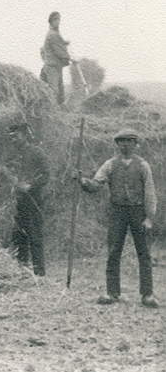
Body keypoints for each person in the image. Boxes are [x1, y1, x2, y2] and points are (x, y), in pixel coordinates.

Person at [79, 128, 159, 308]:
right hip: (118, 212)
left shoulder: (143, 166)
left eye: (130, 141)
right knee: (114, 251)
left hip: (138, 212)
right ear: (117, 145)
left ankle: (147, 295)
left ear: (136, 144)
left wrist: (149, 217)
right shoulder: (110, 164)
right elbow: (96, 184)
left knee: (144, 253)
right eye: (122, 141)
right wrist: (83, 181)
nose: (125, 145)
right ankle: (112, 292)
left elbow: (150, 193)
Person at [6, 123, 48, 276]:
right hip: (16, 202)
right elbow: (7, 172)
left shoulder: (36, 153)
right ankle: (22, 271)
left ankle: (39, 273)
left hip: (33, 200)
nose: (13, 140)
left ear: (24, 135)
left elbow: (45, 175)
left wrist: (30, 185)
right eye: (11, 137)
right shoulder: (12, 156)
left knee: (34, 235)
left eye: (16, 136)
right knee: (19, 236)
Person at [40, 11, 71, 105]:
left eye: (59, 19)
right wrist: (68, 57)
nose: (58, 21)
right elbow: (59, 50)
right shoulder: (53, 34)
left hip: (55, 66)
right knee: (54, 91)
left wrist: (63, 43)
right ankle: (53, 110)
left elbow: (58, 43)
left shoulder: (54, 34)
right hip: (52, 66)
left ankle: (58, 109)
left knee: (59, 92)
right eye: (55, 19)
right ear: (51, 22)